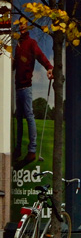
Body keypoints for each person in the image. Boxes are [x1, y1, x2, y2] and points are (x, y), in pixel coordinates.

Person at [12, 19, 52, 163]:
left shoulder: (31, 43)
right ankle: (18, 149)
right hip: (18, 87)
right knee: (19, 118)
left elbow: (40, 56)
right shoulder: (18, 45)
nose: (21, 26)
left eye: (24, 23)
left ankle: (32, 151)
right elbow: (14, 66)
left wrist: (49, 67)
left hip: (26, 87)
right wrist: (11, 61)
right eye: (19, 24)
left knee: (29, 116)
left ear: (27, 26)